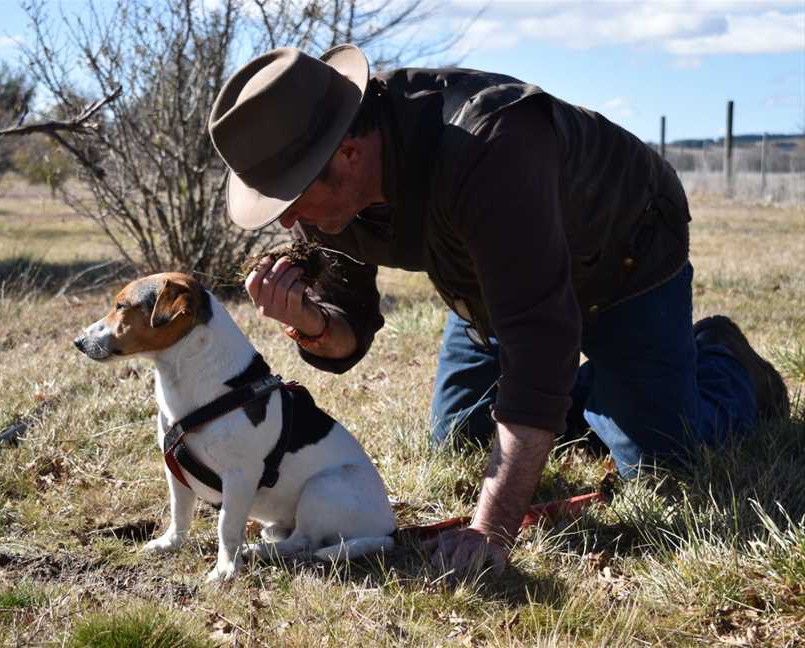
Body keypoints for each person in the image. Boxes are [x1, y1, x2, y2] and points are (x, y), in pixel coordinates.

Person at [207, 44, 790, 575]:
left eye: (292, 199)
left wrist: (490, 528)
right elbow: (349, 322)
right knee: (461, 434)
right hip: (493, 283)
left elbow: (540, 341)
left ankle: (726, 365)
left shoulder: (489, 143)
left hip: (625, 254)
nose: (287, 221)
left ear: (352, 153)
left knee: (660, 467)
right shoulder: (324, 185)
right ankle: (609, 391)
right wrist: (311, 323)